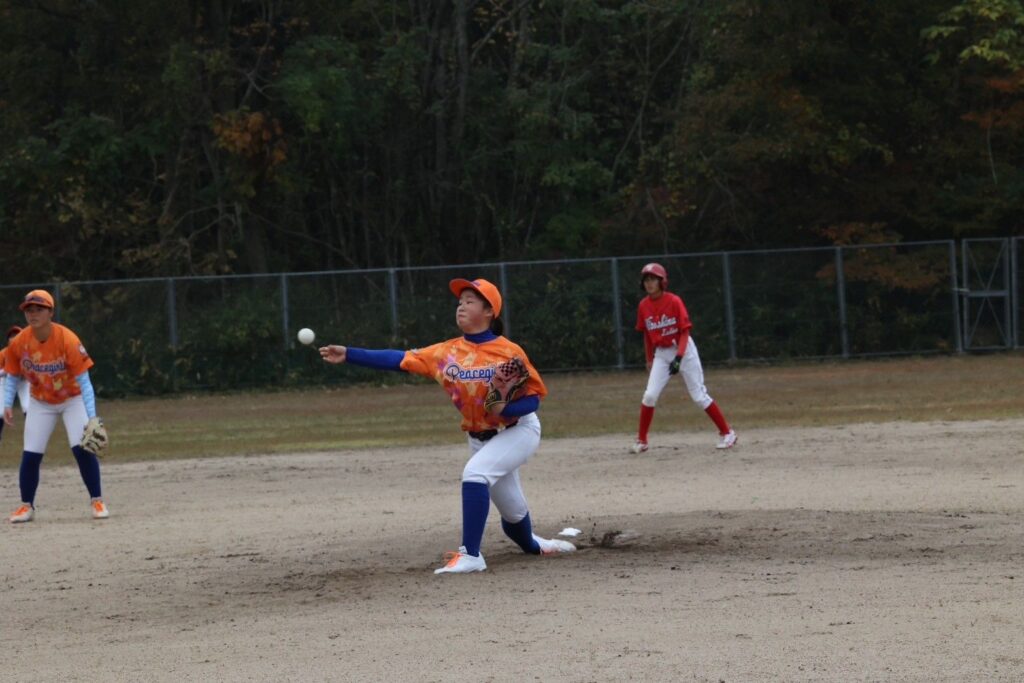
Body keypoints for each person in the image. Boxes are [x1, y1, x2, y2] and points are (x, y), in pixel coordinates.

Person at [319, 278, 575, 574]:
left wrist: (506, 408)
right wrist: (350, 354)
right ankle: (535, 545)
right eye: (460, 301)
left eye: (470, 301)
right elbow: (399, 359)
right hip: (480, 438)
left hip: (518, 430)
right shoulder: (446, 352)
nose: (461, 306)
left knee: (475, 474)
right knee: (514, 515)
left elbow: (533, 400)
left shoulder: (509, 352)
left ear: (489, 311)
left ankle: (471, 555)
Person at [4, 290, 109, 523]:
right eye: (29, 310)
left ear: (50, 312)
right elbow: (12, 375)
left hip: (72, 399)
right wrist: (7, 403)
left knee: (82, 449)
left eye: (39, 309)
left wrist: (92, 417)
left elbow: (85, 382)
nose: (33, 314)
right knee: (31, 453)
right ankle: (26, 506)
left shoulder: (67, 339)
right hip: (40, 402)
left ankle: (97, 500)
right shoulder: (20, 342)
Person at [631, 263, 737, 453]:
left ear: (662, 281)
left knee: (698, 395)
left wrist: (679, 357)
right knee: (649, 395)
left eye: (653, 279)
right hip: (661, 354)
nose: (649, 283)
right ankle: (642, 440)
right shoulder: (643, 305)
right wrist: (649, 358)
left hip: (683, 350)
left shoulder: (674, 301)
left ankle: (727, 433)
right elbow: (646, 334)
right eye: (646, 280)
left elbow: (684, 332)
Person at [0, 325, 31, 442]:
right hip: (5, 382)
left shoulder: (28, 353)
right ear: (8, 340)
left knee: (28, 408)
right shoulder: (3, 353)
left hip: (23, 382)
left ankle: (33, 437)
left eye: (17, 335)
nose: (14, 338)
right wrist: (7, 371)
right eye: (11, 336)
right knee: (0, 412)